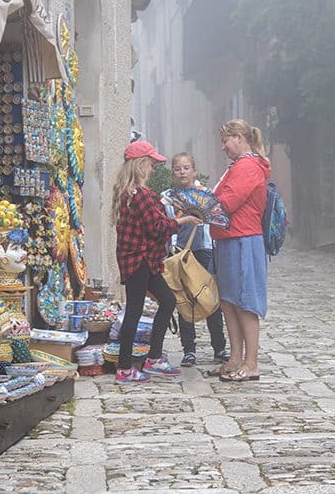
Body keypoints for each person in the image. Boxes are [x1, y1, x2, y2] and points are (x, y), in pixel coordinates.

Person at [112, 140, 202, 383]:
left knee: (168, 299)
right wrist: (183, 221)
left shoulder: (130, 193)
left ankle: (153, 358)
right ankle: (124, 368)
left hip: (144, 261)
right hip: (138, 261)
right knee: (134, 311)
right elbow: (158, 228)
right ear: (141, 165)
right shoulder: (140, 195)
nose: (153, 169)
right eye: (151, 164)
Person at [211, 119, 271, 382]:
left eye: (226, 140)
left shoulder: (248, 166)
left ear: (239, 137)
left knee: (245, 302)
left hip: (243, 239)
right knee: (229, 301)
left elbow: (228, 202)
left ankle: (251, 363)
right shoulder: (237, 166)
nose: (223, 147)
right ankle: (235, 358)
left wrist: (201, 203)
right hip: (229, 238)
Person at [162, 152, 229, 367]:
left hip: (205, 250)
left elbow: (215, 221)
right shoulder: (169, 198)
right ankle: (189, 349)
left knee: (209, 298)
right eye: (178, 168)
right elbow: (168, 225)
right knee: (185, 300)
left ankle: (219, 346)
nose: (182, 172)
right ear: (172, 172)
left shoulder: (205, 194)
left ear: (194, 170)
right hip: (181, 252)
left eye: (186, 168)